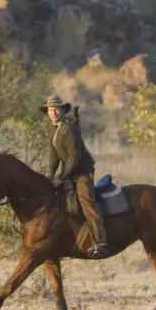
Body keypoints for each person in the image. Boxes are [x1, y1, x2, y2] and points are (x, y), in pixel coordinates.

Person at [41, 95, 109, 258]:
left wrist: (62, 176)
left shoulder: (70, 127)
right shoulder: (53, 129)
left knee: (87, 203)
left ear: (63, 110)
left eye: (57, 109)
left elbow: (75, 157)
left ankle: (101, 242)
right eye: (51, 109)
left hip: (82, 172)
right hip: (68, 172)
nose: (54, 112)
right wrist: (50, 177)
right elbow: (53, 156)